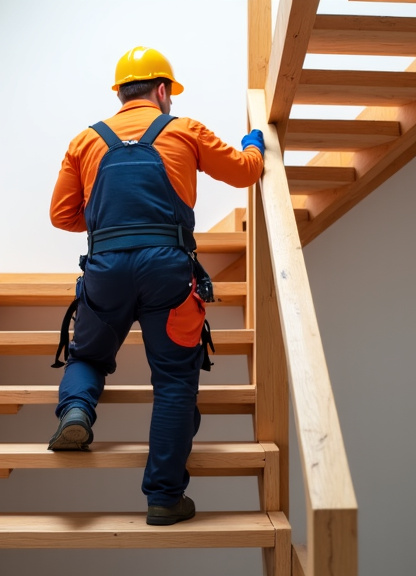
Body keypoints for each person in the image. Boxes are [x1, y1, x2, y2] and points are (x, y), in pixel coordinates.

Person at [47, 46, 265, 526]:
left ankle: (78, 412)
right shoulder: (185, 129)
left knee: (87, 357)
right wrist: (255, 142)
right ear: (163, 90)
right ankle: (164, 498)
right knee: (173, 383)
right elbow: (246, 171)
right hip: (167, 269)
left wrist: (115, 223)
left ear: (120, 92)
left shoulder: (85, 140)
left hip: (105, 268)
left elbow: (61, 215)